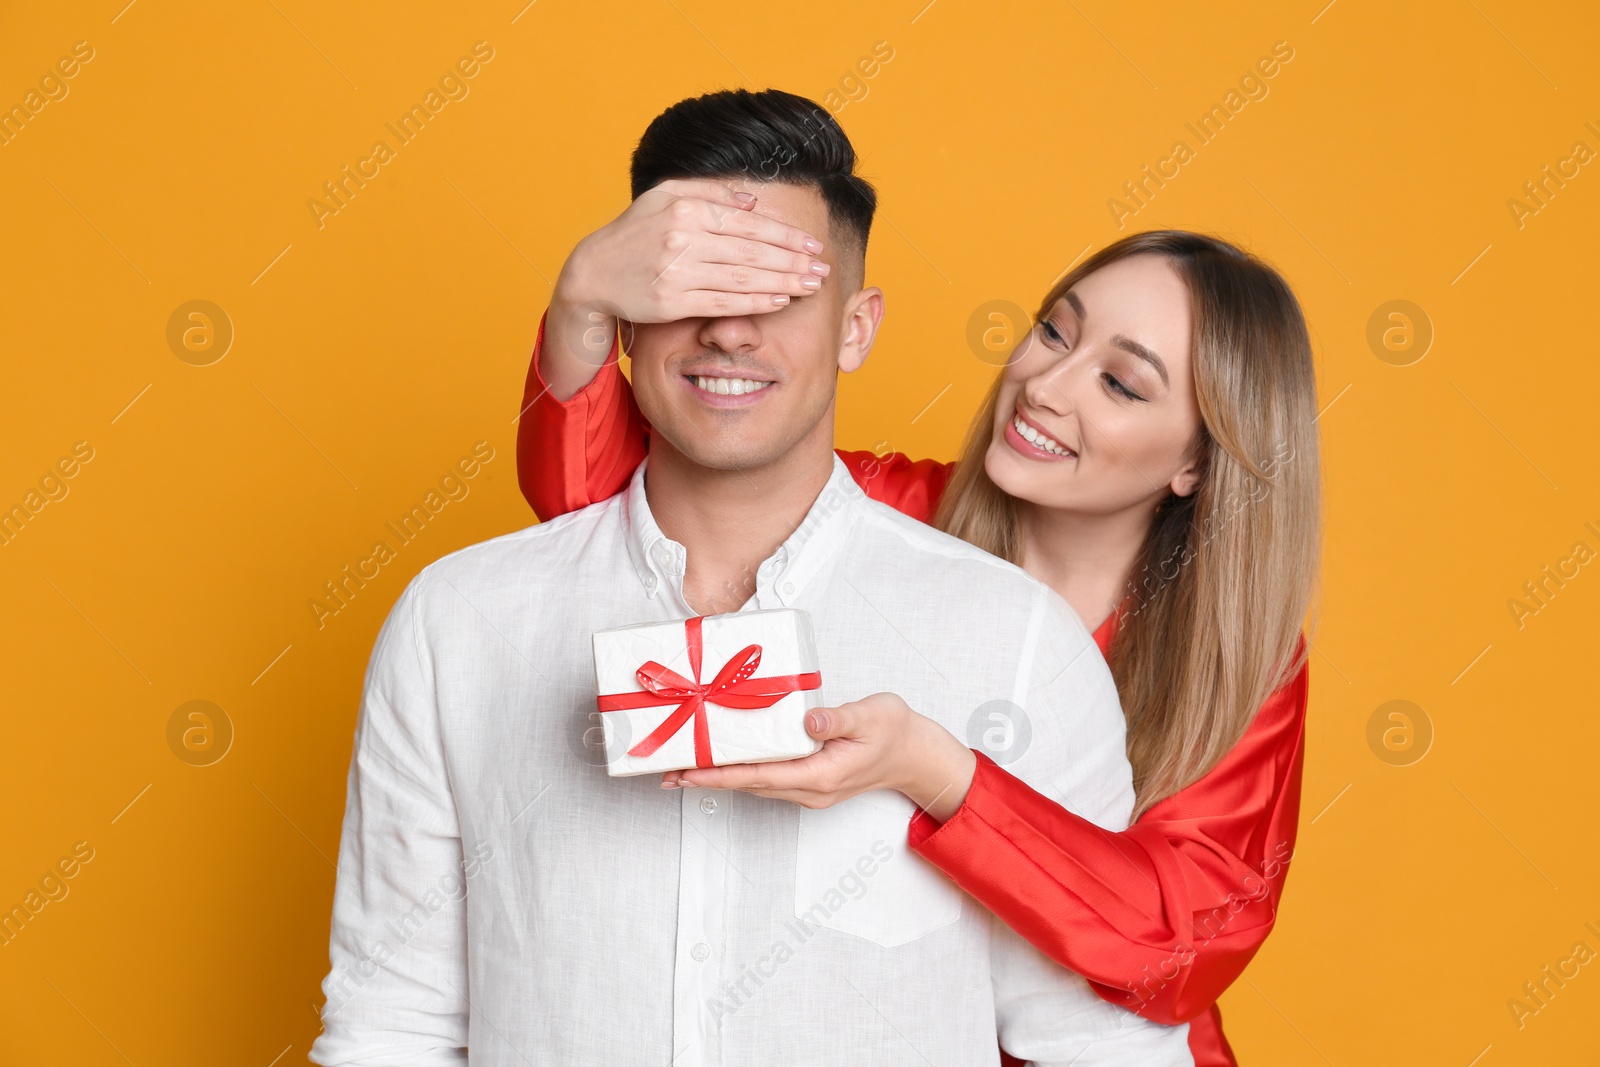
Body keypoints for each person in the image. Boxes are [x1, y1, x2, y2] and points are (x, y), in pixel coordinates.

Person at [311, 88, 1190, 1066]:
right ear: (625, 322)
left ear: (856, 328)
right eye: (690, 288)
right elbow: (391, 1019)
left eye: (778, 294)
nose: (731, 332)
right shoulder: (458, 622)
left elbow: (1095, 1042)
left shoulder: (1014, 638)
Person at [518, 137, 1319, 1067]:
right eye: (1055, 332)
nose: (1046, 385)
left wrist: (943, 773)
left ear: (1194, 460)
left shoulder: (1239, 656)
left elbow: (1177, 943)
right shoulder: (884, 514)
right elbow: (608, 510)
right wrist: (582, 306)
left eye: (1119, 382)